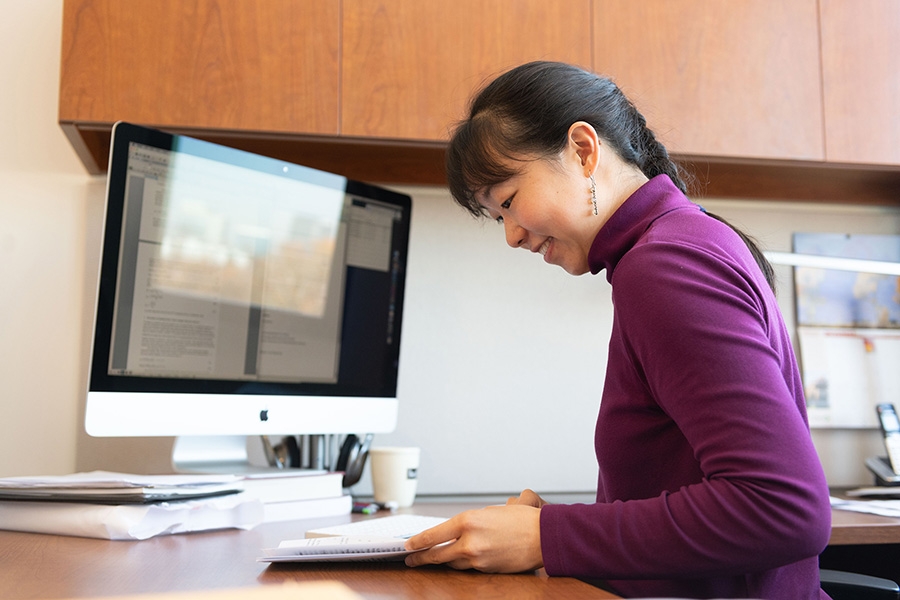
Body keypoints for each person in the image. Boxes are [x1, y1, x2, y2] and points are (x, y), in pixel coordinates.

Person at [403, 61, 833, 599]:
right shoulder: (681, 242)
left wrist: (548, 536)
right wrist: (550, 534)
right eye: (497, 218)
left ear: (583, 150)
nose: (511, 236)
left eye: (509, 200)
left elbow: (782, 509)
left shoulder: (666, 265)